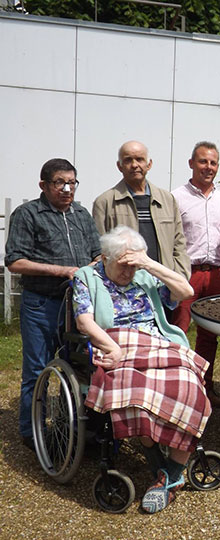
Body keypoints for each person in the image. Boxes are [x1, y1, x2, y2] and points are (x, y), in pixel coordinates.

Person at [73, 226, 210, 514]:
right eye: (122, 266)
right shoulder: (87, 277)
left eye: (132, 266)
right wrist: (112, 348)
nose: (128, 273)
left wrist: (146, 262)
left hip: (157, 342)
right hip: (116, 343)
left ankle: (169, 473)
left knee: (189, 386)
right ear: (105, 258)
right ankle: (164, 470)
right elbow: (84, 322)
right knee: (135, 394)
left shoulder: (144, 274)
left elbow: (186, 291)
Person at [5, 158, 101, 450]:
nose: (66, 189)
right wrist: (62, 270)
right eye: (59, 182)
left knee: (80, 367)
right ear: (43, 185)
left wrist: (93, 268)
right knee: (37, 370)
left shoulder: (82, 215)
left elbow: (97, 254)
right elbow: (15, 262)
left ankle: (69, 426)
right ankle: (32, 431)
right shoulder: (28, 214)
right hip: (41, 304)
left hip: (78, 306)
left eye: (72, 182)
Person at [171, 141, 220, 408]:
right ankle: (179, 390)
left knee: (210, 334)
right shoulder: (175, 197)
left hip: (216, 273)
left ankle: (206, 388)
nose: (209, 167)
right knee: (178, 331)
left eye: (213, 163)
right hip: (187, 273)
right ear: (191, 163)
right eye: (203, 162)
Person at [92, 140, 190, 279]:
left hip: (162, 283)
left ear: (149, 164)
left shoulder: (167, 200)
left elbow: (179, 244)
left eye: (139, 159)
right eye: (128, 160)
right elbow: (99, 250)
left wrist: (179, 277)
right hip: (125, 286)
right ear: (119, 166)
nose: (134, 165)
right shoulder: (105, 202)